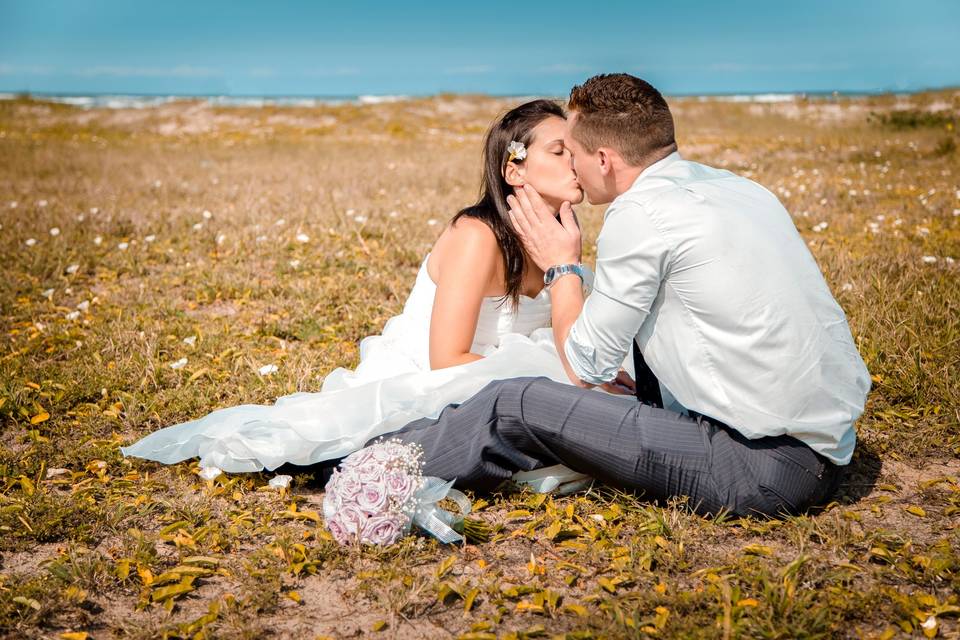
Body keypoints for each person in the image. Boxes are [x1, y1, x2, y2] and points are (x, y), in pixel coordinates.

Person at [363, 74, 872, 518]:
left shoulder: (642, 213)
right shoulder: (740, 188)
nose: (573, 169)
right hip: (831, 445)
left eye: (574, 152)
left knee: (515, 401)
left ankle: (377, 473)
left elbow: (584, 363)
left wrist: (564, 266)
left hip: (760, 466)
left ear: (603, 158)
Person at [121, 100, 621, 482]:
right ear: (514, 170)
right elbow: (446, 359)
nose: (575, 163)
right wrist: (554, 379)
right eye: (559, 152)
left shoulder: (560, 238)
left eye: (573, 152)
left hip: (499, 389)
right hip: (431, 386)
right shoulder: (478, 237)